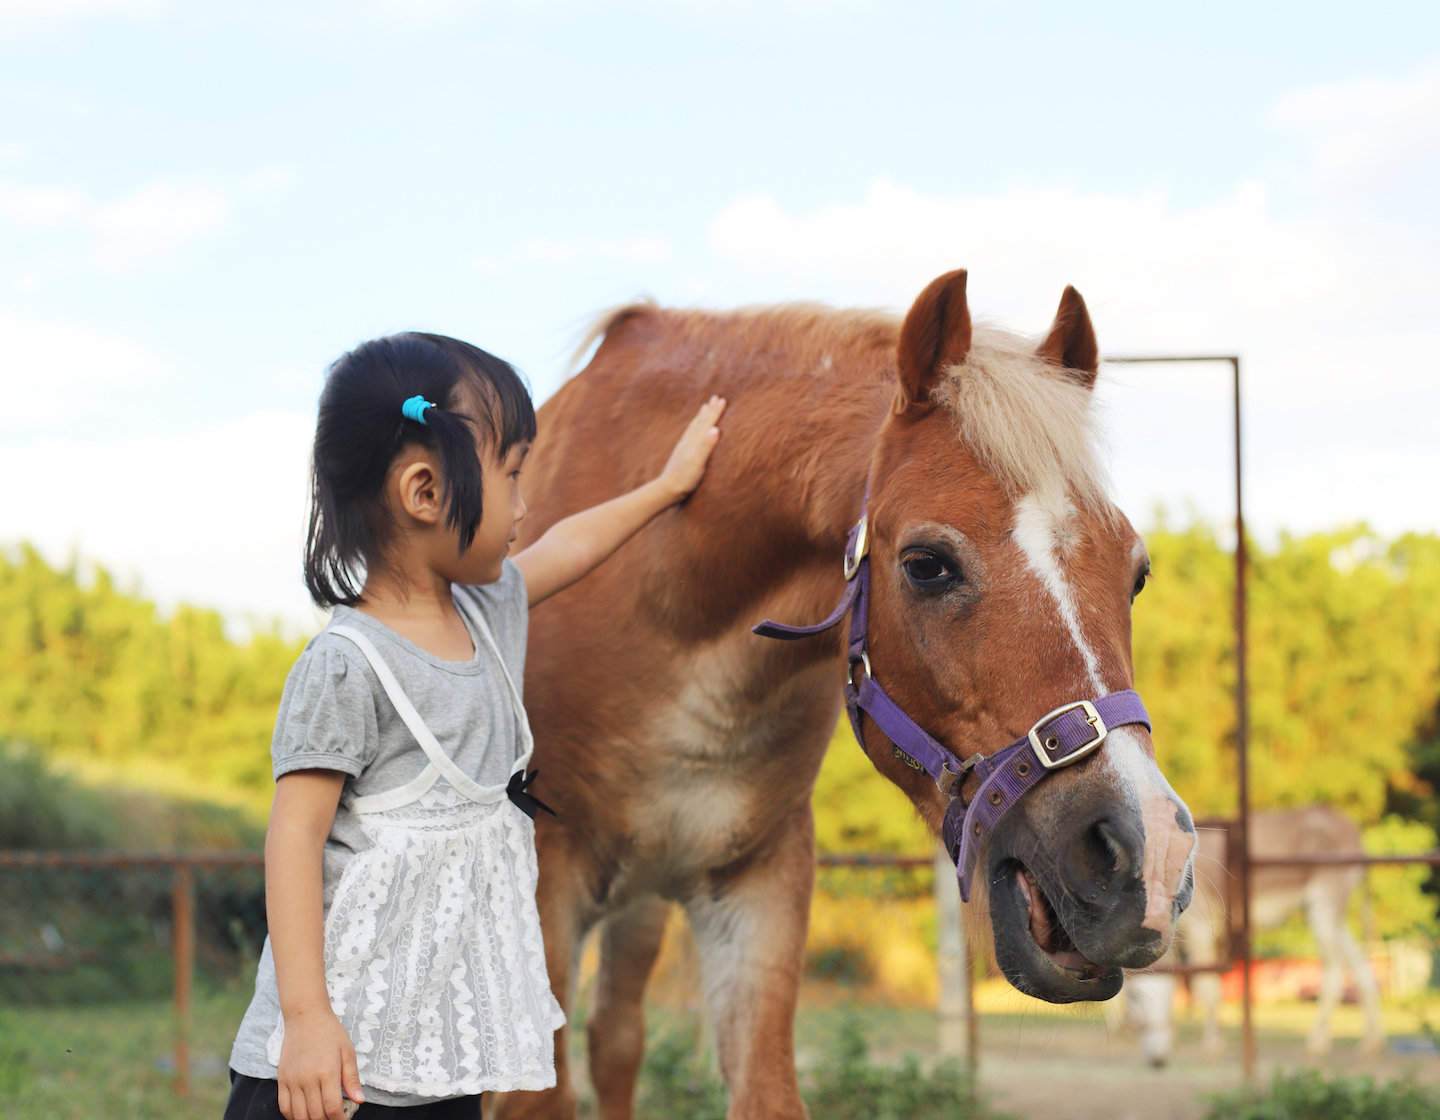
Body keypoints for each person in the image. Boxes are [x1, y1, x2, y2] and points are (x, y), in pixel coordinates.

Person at [225, 332, 725, 1120]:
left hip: (442, 1060)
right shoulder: (349, 665)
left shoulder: (491, 612)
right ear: (425, 492)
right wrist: (307, 1020)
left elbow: (574, 543)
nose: (527, 506)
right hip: (331, 1073)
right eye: (514, 474)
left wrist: (666, 488)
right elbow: (294, 838)